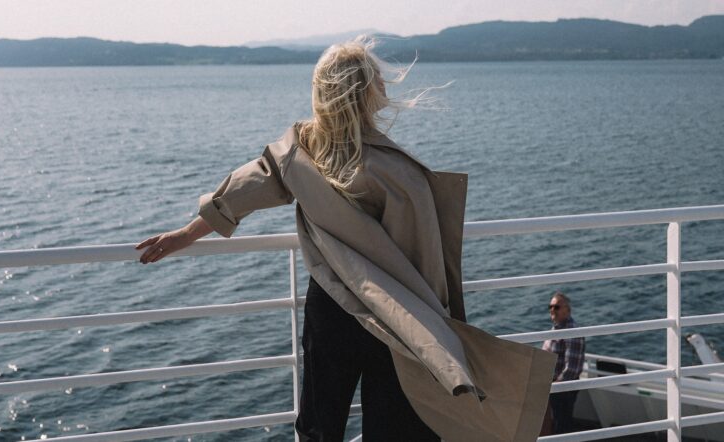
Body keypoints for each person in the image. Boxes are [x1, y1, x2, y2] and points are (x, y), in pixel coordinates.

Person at [136, 35, 556, 442]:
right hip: (394, 318)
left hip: (331, 305)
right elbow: (425, 261)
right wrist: (442, 324)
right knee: (396, 427)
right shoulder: (400, 176)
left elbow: (243, 189)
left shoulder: (300, 152)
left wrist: (185, 235)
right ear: (368, 92)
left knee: (320, 423)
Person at [542, 291, 586, 434]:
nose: (552, 310)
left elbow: (571, 369)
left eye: (557, 307)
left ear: (568, 310)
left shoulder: (571, 332)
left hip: (562, 389)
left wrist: (554, 387)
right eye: (550, 306)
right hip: (553, 386)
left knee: (562, 425)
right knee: (557, 423)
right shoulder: (557, 328)